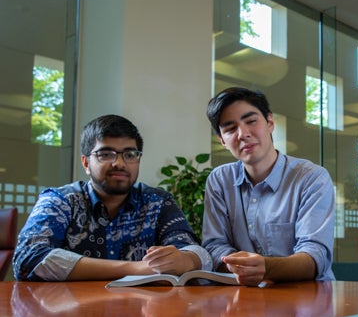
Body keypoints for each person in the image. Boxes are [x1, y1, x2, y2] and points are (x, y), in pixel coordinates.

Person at [13, 114, 212, 281]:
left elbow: (195, 251)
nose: (119, 163)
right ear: (85, 163)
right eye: (106, 154)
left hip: (141, 315)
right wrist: (135, 269)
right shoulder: (61, 200)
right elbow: (28, 257)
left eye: (130, 154)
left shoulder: (158, 202)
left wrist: (187, 259)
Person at [203, 87, 335, 285]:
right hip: (244, 297)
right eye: (230, 129)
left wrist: (265, 267)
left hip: (306, 299)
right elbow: (214, 246)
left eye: (251, 121)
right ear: (222, 140)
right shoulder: (220, 180)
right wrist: (241, 266)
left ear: (270, 122)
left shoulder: (311, 178)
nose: (243, 134)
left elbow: (315, 256)